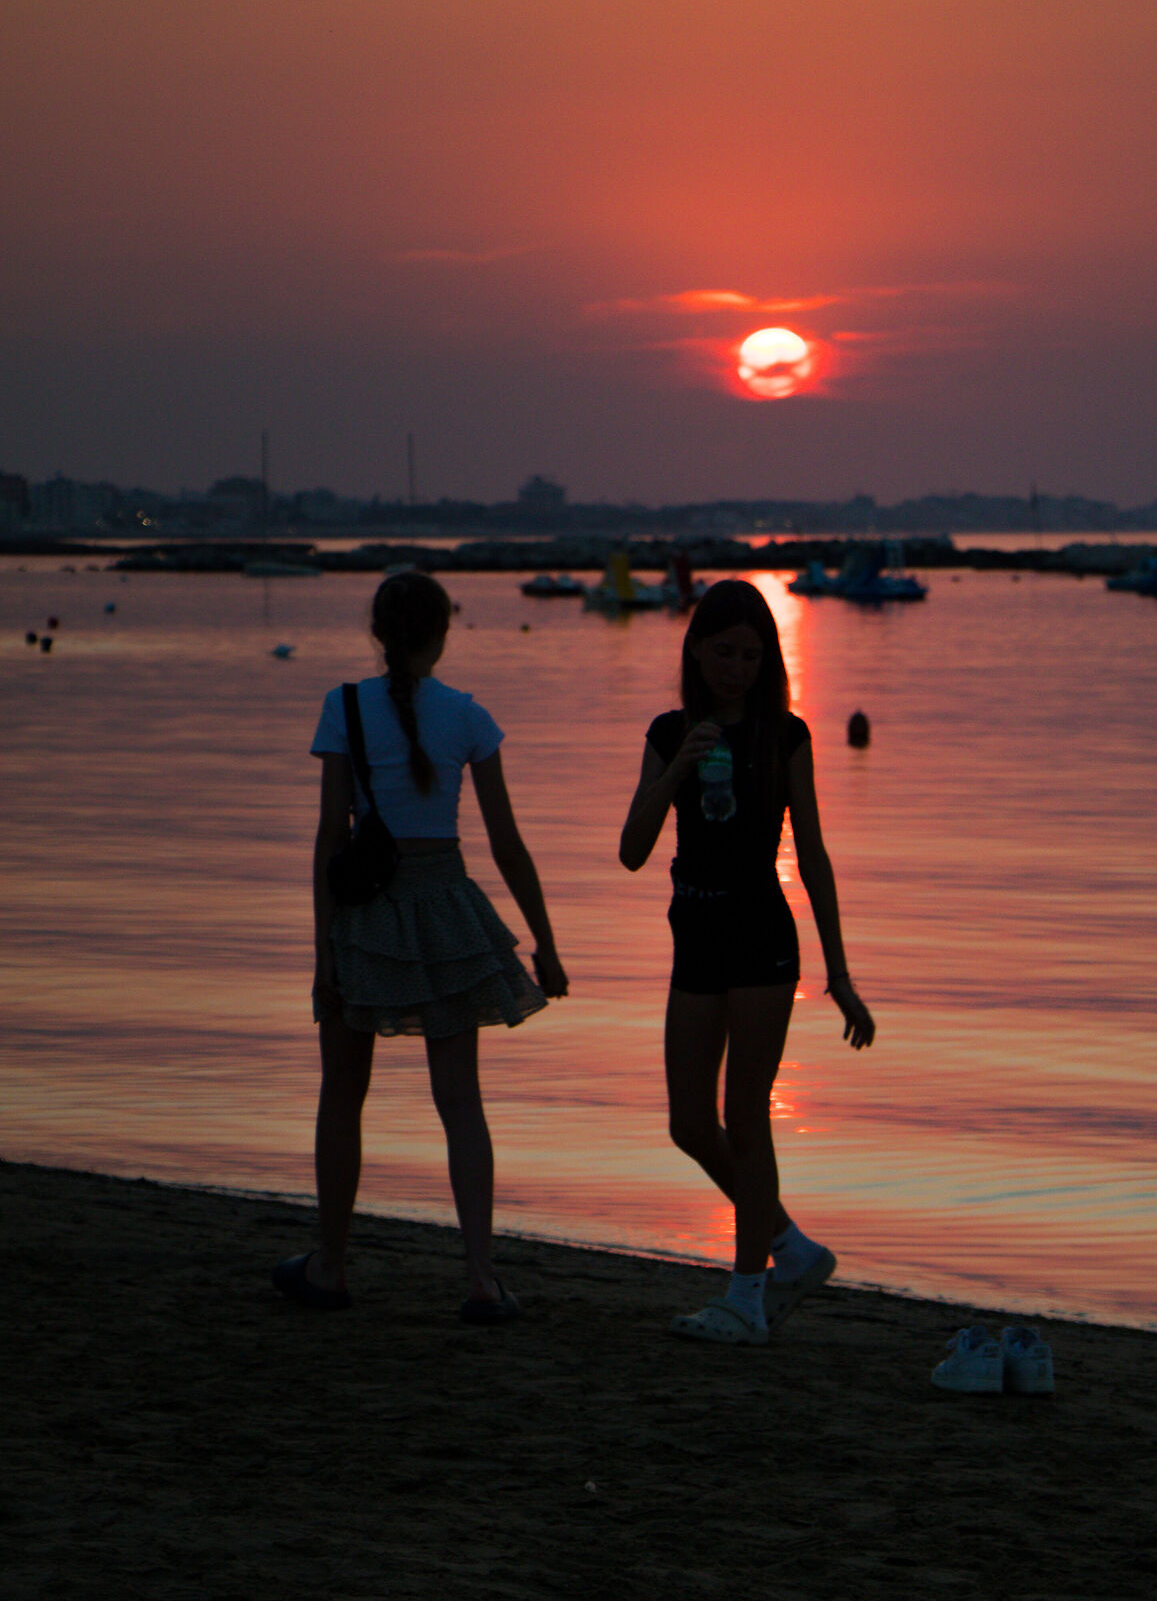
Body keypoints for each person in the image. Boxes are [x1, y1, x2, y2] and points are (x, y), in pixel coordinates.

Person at [273, 569, 568, 1322]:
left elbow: (329, 839)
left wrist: (322, 952)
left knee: (343, 1097)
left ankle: (332, 1266)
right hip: (444, 912)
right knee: (460, 1103)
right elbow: (508, 845)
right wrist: (545, 943)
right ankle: (479, 1278)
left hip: (364, 914)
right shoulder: (468, 717)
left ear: (378, 634)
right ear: (441, 634)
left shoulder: (343, 708)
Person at [620, 577, 874, 1345]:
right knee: (691, 1123)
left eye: (751, 656)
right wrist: (675, 774)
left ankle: (746, 1296)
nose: (737, 668)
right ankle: (790, 1248)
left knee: (746, 1115)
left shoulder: (784, 737)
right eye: (724, 653)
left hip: (763, 940)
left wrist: (841, 974)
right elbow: (632, 852)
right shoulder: (669, 733)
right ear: (695, 651)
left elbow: (817, 857)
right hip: (693, 935)